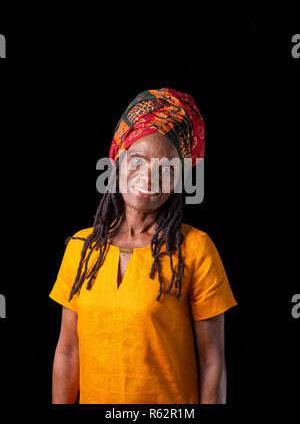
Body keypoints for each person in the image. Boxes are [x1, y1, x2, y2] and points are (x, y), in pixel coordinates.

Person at [49, 88, 238, 404]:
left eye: (166, 168)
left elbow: (213, 363)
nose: (149, 177)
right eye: (137, 161)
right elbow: (68, 353)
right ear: (117, 160)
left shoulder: (195, 249)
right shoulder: (82, 249)